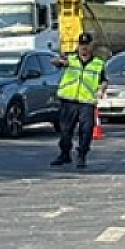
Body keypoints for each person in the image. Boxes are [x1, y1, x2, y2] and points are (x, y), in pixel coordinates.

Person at [51, 34, 107, 170]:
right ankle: (65, 154)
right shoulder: (71, 59)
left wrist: (101, 90)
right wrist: (60, 61)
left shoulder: (98, 63)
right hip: (68, 100)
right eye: (81, 45)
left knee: (86, 131)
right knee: (65, 130)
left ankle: (82, 155)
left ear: (91, 46)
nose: (84, 48)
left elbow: (103, 80)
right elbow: (55, 61)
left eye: (86, 45)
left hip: (87, 102)